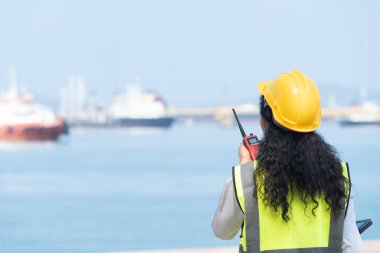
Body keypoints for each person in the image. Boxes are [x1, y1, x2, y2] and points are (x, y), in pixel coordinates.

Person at [211, 70, 362, 253]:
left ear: (266, 119)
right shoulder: (338, 178)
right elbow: (352, 248)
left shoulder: (248, 179)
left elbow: (221, 230)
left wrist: (245, 166)